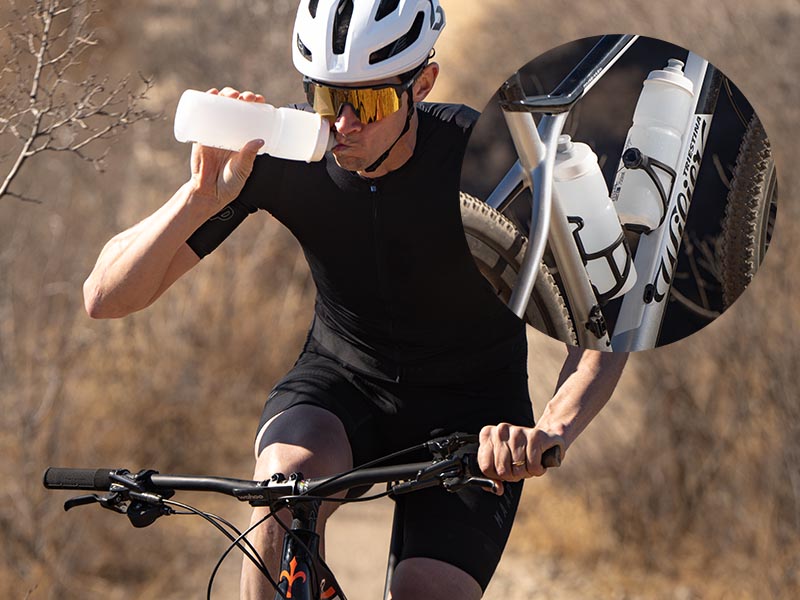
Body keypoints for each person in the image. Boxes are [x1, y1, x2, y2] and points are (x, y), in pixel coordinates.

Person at [83, 1, 628, 598]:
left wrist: (551, 429)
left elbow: (600, 323)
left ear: (422, 84)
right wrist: (198, 198)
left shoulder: (493, 165)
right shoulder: (282, 156)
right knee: (280, 496)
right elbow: (104, 297)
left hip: (475, 412)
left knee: (426, 591)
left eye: (369, 102)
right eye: (324, 98)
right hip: (341, 384)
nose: (342, 125)